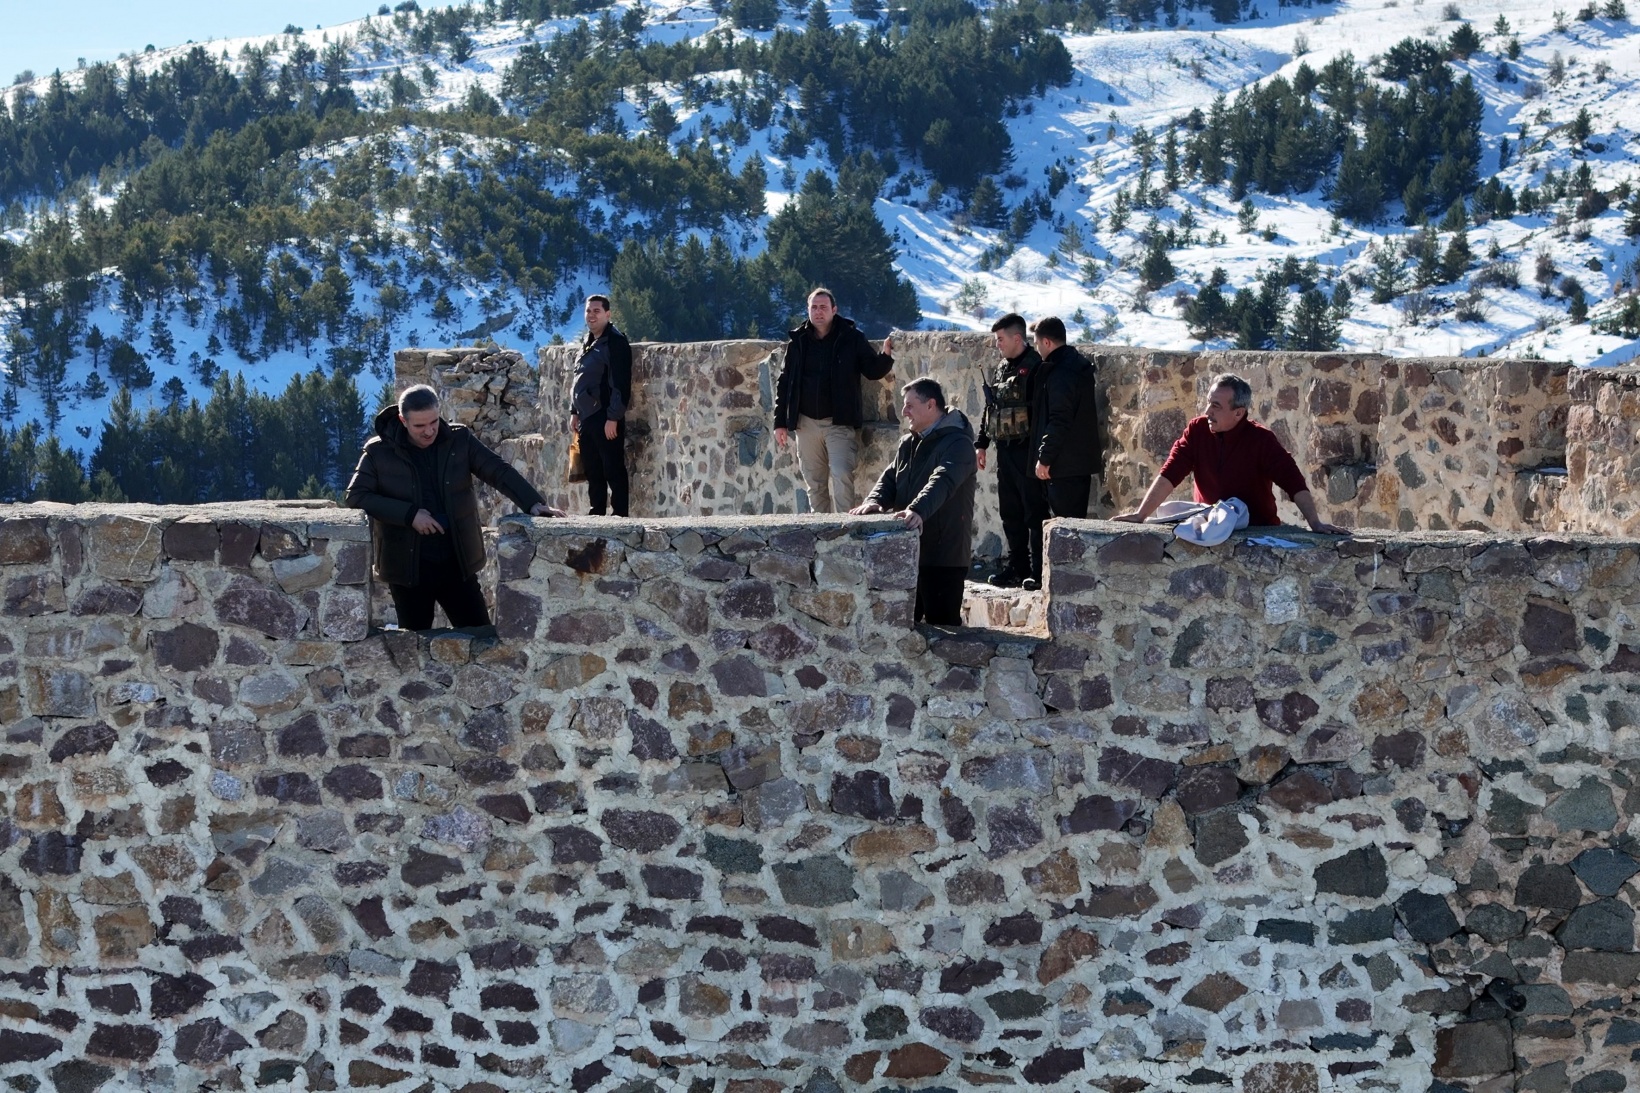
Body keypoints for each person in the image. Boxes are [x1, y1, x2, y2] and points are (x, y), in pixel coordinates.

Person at [346, 384, 562, 630]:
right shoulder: (378, 451)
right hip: (407, 569)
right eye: (419, 426)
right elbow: (356, 496)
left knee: (480, 638)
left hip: (457, 561)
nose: (429, 431)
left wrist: (534, 503)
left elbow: (498, 470)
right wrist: (410, 515)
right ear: (402, 420)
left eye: (434, 422)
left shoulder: (459, 439)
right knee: (415, 649)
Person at [1114, 372, 1348, 534]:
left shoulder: (1261, 440)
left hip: (1256, 531)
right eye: (1208, 403)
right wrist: (1140, 515)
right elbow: (1171, 472)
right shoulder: (1197, 431)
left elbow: (1293, 481)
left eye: (1216, 406)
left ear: (1238, 413)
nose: (1207, 412)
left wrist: (1315, 523)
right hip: (1209, 527)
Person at [851, 378, 978, 626]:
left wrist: (918, 509)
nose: (903, 411)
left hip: (943, 555)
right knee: (902, 629)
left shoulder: (959, 444)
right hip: (908, 551)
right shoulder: (908, 443)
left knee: (942, 629)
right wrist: (875, 500)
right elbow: (890, 478)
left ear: (931, 405)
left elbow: (943, 480)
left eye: (910, 405)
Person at [773, 288, 895, 512]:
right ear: (808, 310)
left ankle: (844, 530)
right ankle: (820, 534)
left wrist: (886, 356)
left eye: (823, 307)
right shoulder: (798, 342)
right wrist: (779, 422)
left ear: (834, 310)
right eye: (814, 307)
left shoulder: (851, 338)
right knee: (814, 482)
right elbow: (785, 383)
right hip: (805, 423)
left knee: (841, 474)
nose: (818, 312)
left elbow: (872, 370)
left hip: (838, 421)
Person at [975, 313, 1045, 590]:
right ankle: (1018, 567)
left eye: (1001, 339)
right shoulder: (1002, 368)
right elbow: (991, 407)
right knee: (1010, 513)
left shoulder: (1037, 367)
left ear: (1018, 338)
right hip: (1005, 451)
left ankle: (1039, 572)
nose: (997, 345)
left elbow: (1042, 412)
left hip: (1027, 451)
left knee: (1034, 514)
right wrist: (981, 443)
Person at [1030, 317, 1104, 520]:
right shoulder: (1076, 365)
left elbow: (1059, 418)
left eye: (1037, 344)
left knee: (1065, 529)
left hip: (1064, 466)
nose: (1037, 350)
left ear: (1046, 342)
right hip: (1077, 463)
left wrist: (1045, 458)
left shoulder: (1060, 372)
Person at [570, 294, 633, 516]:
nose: (591, 315)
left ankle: (620, 515)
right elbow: (579, 377)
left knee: (613, 468)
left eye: (596, 311)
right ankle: (596, 512)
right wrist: (574, 411)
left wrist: (614, 417)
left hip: (605, 415)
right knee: (592, 469)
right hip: (587, 417)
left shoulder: (615, 342)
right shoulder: (588, 341)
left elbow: (621, 383)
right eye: (588, 311)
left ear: (608, 314)